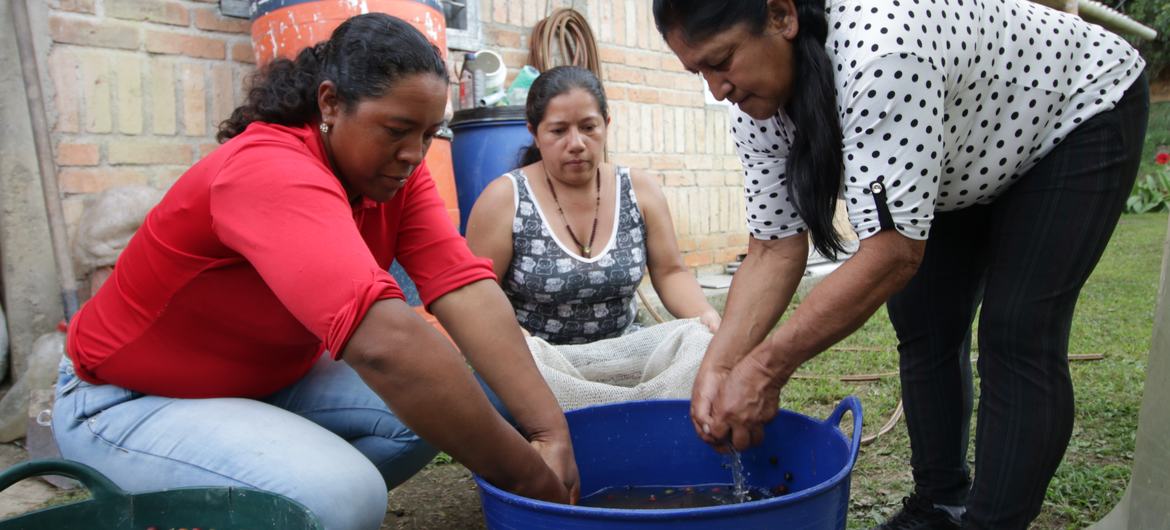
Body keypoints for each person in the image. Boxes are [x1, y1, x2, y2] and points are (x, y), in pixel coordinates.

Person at [51, 14, 578, 530]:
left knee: (444, 411)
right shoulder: (269, 169)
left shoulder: (394, 173)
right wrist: (530, 481)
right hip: (126, 401)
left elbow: (462, 286)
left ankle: (270, 502)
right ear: (330, 103)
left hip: (264, 383)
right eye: (396, 130)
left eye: (428, 134)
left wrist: (549, 431)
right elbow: (385, 345)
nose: (413, 154)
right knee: (345, 496)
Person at [652, 0, 1148, 528]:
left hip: (1075, 111)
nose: (716, 88)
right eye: (699, 71)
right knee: (924, 320)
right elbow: (774, 246)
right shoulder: (754, 107)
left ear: (781, 16)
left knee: (1017, 330)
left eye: (722, 60)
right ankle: (939, 502)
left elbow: (891, 255)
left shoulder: (880, 54)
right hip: (964, 146)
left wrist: (765, 368)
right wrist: (721, 366)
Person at [465, 66, 720, 346]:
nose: (576, 143)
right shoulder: (504, 200)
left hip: (624, 351)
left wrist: (704, 314)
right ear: (534, 134)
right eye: (558, 131)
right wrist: (513, 336)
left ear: (606, 125)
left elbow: (671, 272)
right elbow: (479, 295)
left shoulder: (640, 191)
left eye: (588, 128)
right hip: (533, 360)